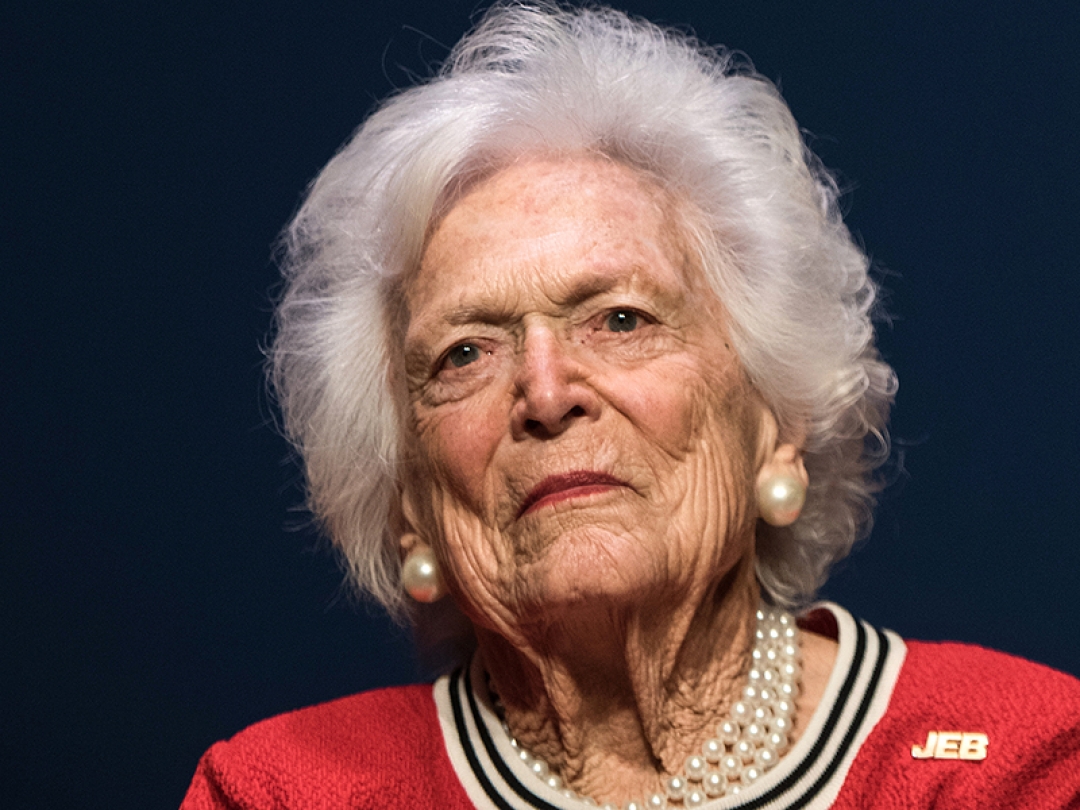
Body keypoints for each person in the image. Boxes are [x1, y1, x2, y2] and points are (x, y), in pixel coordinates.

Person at [181, 3, 1080, 808]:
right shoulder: (283, 793)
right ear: (407, 502)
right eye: (465, 354)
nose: (546, 393)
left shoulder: (1025, 765)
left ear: (777, 420)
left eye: (620, 319)